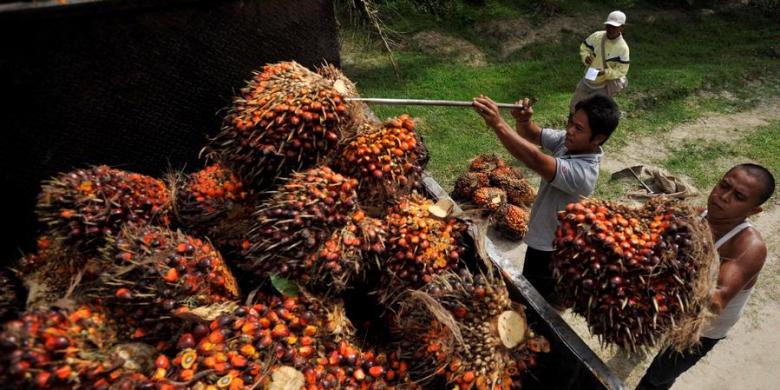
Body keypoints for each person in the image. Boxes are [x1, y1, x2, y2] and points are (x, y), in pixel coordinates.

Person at [636, 163, 775, 390]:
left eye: (738, 196)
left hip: (703, 329)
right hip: (676, 306)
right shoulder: (699, 216)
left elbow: (717, 301)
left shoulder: (748, 246)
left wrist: (669, 266)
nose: (723, 196)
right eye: (724, 185)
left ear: (753, 211)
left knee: (657, 377)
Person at [472, 94, 620, 305]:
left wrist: (498, 123)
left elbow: (535, 159)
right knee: (532, 294)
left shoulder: (583, 173)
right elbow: (533, 134)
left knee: (535, 302)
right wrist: (523, 121)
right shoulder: (571, 143)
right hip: (542, 238)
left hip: (550, 250)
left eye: (578, 128)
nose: (570, 130)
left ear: (597, 138)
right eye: (571, 123)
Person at [570, 10, 630, 112]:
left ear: (622, 28)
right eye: (608, 26)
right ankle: (570, 126)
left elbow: (622, 70)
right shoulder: (597, 36)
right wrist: (586, 57)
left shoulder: (623, 48)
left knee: (594, 112)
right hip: (588, 77)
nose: (610, 29)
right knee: (575, 107)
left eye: (614, 27)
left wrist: (605, 72)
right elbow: (584, 47)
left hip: (603, 85)